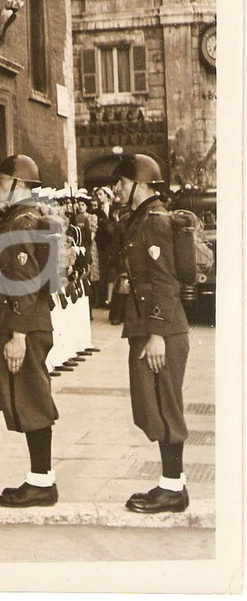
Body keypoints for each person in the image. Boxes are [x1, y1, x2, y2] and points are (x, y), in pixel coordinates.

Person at [112, 154, 191, 513]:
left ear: (139, 185)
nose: (117, 189)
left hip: (162, 330)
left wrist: (157, 333)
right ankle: (169, 484)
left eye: (123, 183)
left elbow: (165, 281)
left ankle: (174, 488)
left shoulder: (154, 221)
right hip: (150, 328)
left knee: (166, 404)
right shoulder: (142, 219)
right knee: (153, 406)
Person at [0, 154, 60, 507]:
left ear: (17, 184)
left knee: (31, 398)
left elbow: (26, 283)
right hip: (28, 322)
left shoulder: (21, 223)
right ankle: (39, 478)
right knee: (28, 397)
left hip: (25, 325)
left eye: (0, 180)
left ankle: (42, 482)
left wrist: (17, 335)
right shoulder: (24, 218)